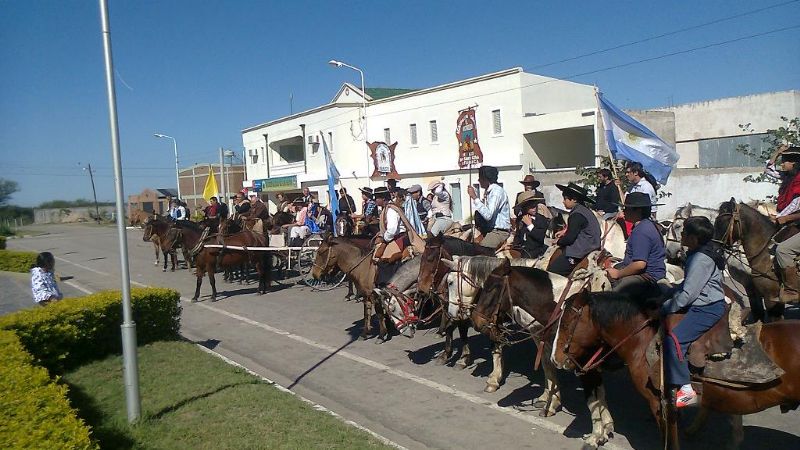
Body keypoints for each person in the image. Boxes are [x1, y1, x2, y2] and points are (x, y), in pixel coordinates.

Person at [661, 216, 726, 408]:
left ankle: (686, 389)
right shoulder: (694, 253)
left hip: (707, 307)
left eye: (685, 232)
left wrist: (665, 307)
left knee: (674, 340)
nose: (681, 235)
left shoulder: (700, 259)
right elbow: (687, 285)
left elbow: (689, 294)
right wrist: (669, 291)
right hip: (700, 301)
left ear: (695, 238)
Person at [606, 192, 666, 297]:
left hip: (647, 277)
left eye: (627, 209)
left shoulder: (641, 231)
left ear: (638, 210)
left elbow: (639, 264)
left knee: (613, 298)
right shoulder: (647, 225)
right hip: (648, 273)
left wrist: (618, 274)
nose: (623, 211)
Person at [764, 145, 800, 300]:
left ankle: (793, 291)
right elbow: (768, 171)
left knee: (783, 250)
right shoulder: (788, 177)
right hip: (793, 224)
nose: (782, 164)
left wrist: (779, 218)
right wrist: (776, 152)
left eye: (785, 161)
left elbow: (795, 206)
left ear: (795, 163)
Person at [547, 183, 601, 276]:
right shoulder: (585, 211)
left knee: (551, 273)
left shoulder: (576, 215)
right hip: (593, 246)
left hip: (580, 251)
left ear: (574, 200)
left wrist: (558, 241)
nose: (563, 202)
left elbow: (569, 238)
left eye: (565, 199)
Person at [467, 165, 511, 249]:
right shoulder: (488, 192)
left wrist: (474, 197)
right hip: (489, 230)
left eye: (480, 178)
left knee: (481, 250)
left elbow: (488, 215)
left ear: (486, 179)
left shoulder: (496, 192)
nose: (478, 180)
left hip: (499, 232)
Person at [510, 191, 549, 259]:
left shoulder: (541, 219)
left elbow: (540, 237)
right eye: (531, 206)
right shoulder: (520, 219)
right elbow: (518, 236)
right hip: (521, 249)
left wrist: (530, 225)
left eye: (535, 205)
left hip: (536, 250)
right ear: (524, 207)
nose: (534, 208)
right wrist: (514, 246)